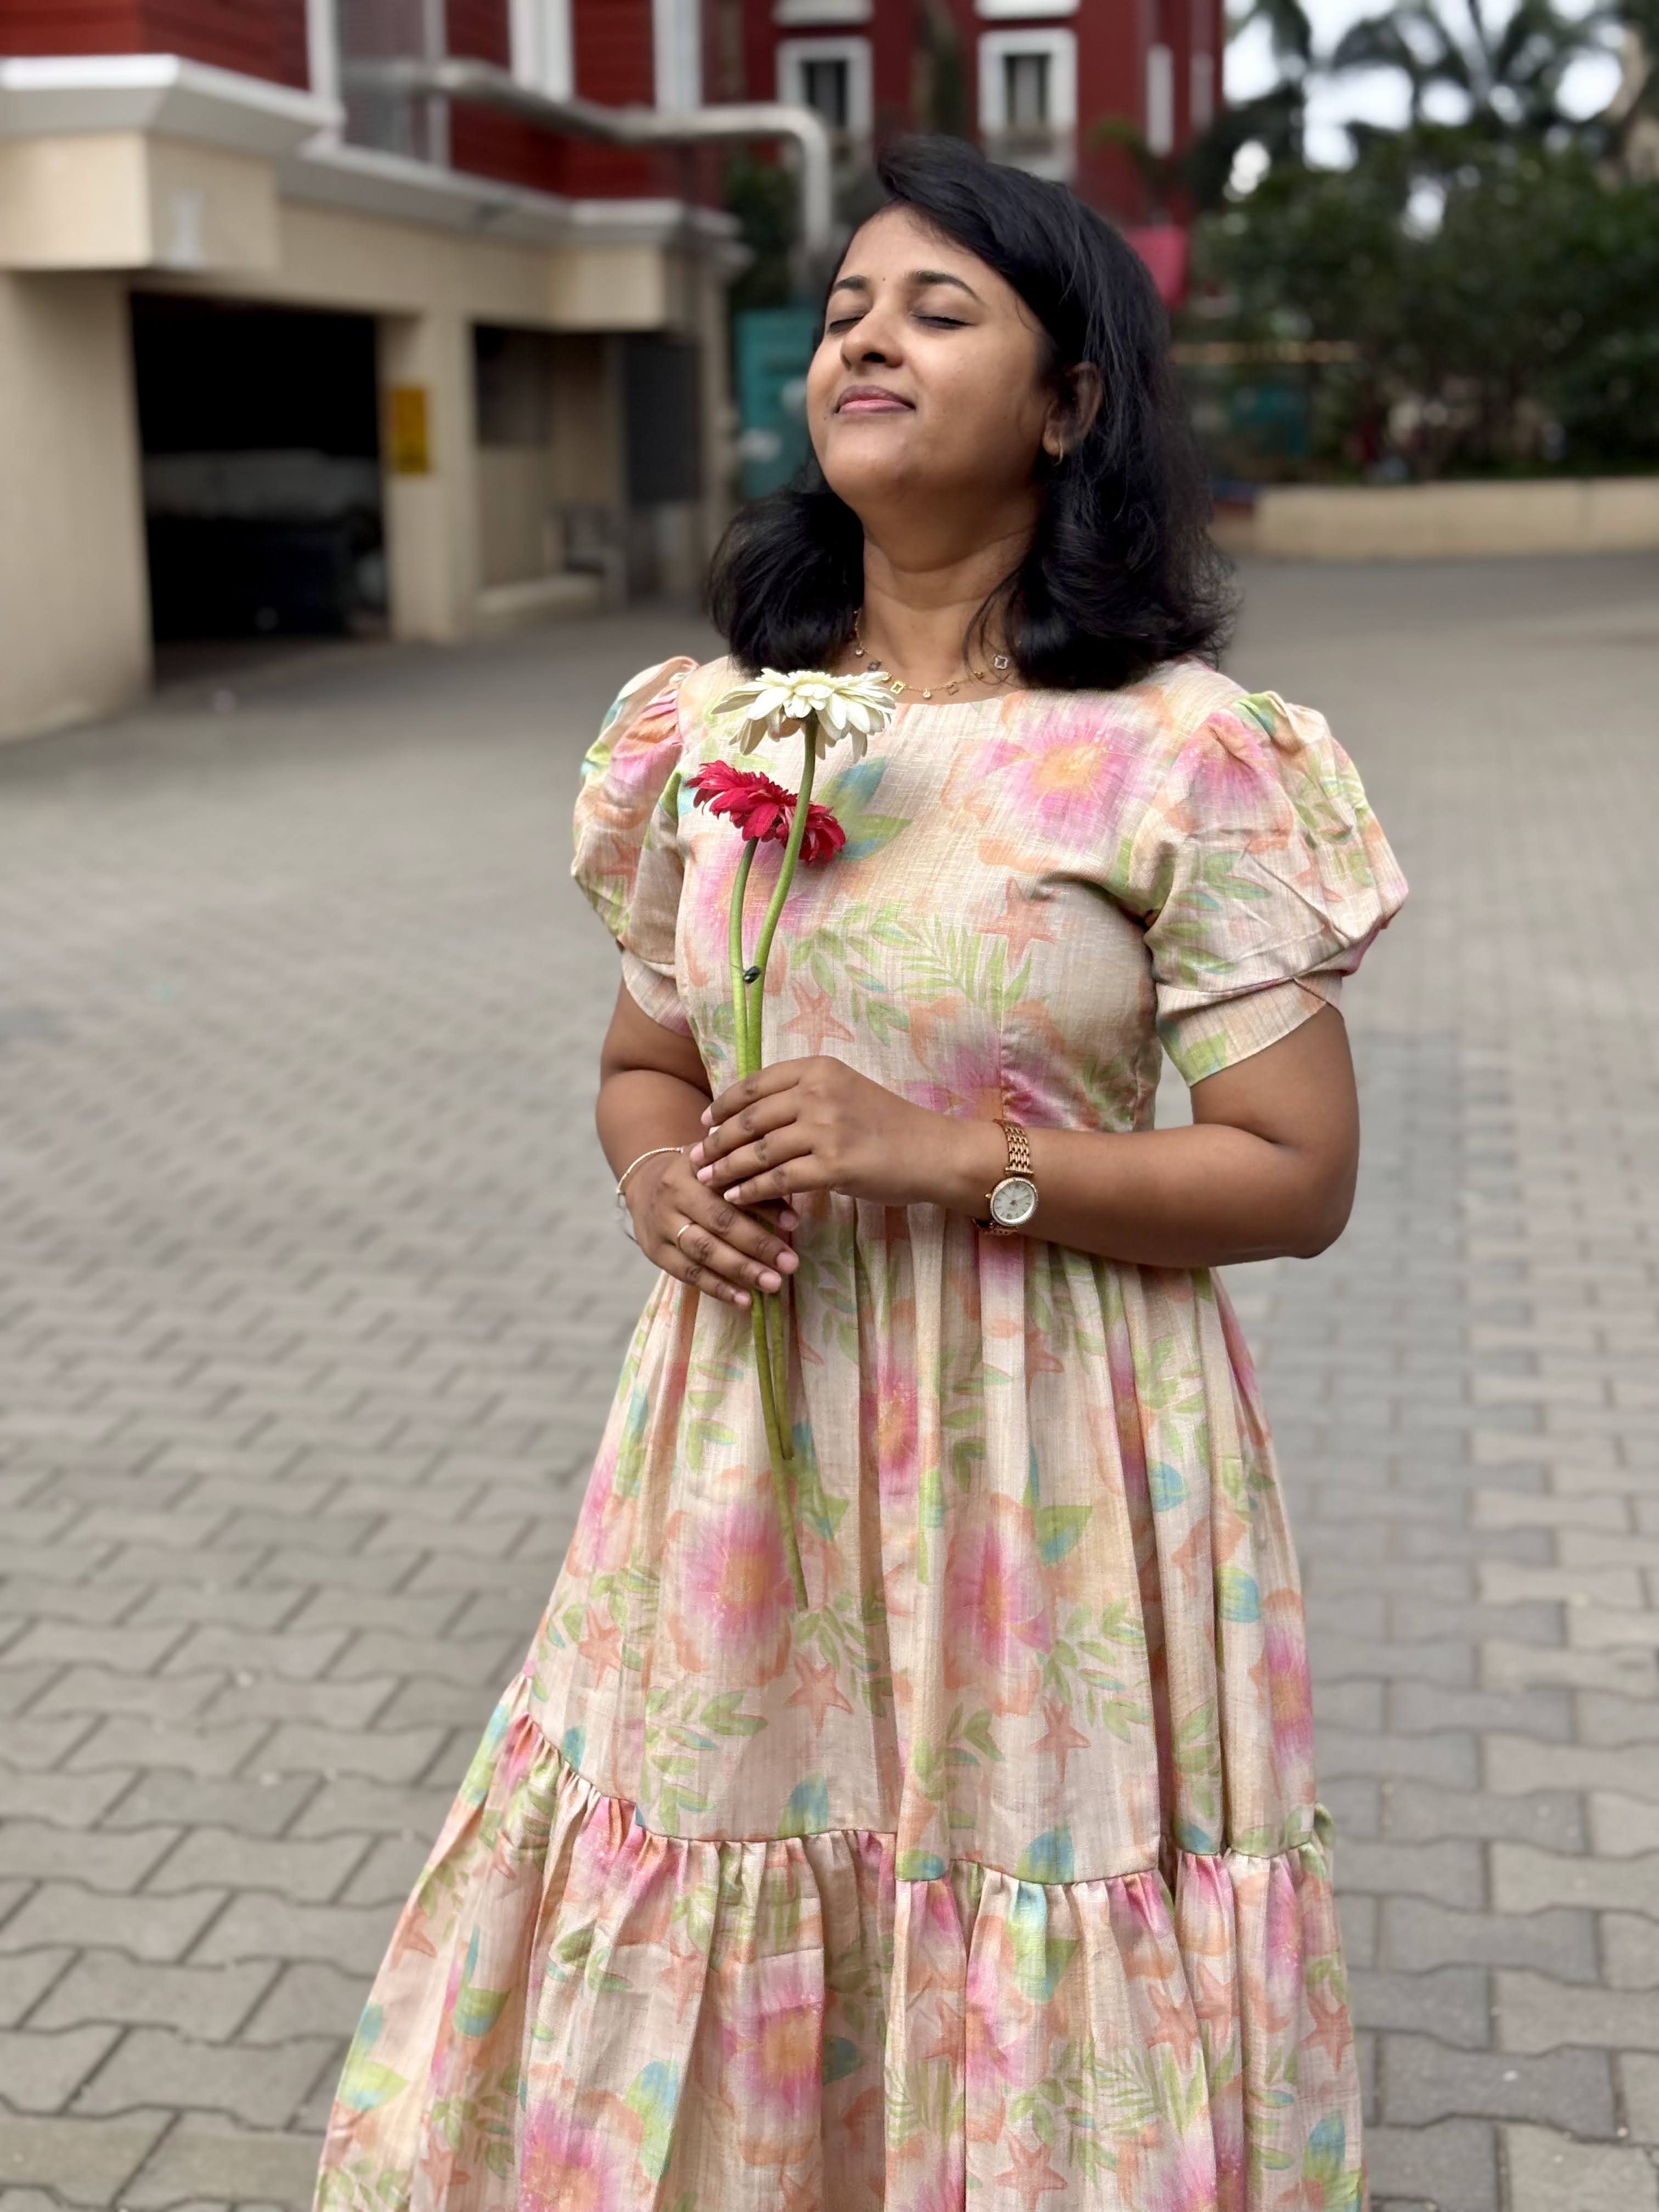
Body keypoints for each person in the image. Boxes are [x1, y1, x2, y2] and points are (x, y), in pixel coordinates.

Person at [314, 135, 1406, 2212]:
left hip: (1050, 1454)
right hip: (748, 1444)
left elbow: (1297, 1170)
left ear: (1068, 403)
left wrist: (953, 1158)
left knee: (1016, 1890)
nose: (865, 343)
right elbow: (649, 1062)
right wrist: (657, 1182)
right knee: (730, 1856)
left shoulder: (1177, 751)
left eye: (937, 310)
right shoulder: (715, 733)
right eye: (842, 314)